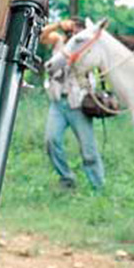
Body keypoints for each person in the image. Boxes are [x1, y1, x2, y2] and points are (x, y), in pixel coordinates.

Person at [41, 18, 105, 190]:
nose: (74, 32)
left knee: (88, 149)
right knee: (51, 140)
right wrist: (58, 24)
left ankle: (98, 185)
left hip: (78, 103)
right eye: (72, 29)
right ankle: (66, 178)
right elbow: (42, 36)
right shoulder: (59, 41)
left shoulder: (87, 47)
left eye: (78, 30)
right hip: (58, 102)